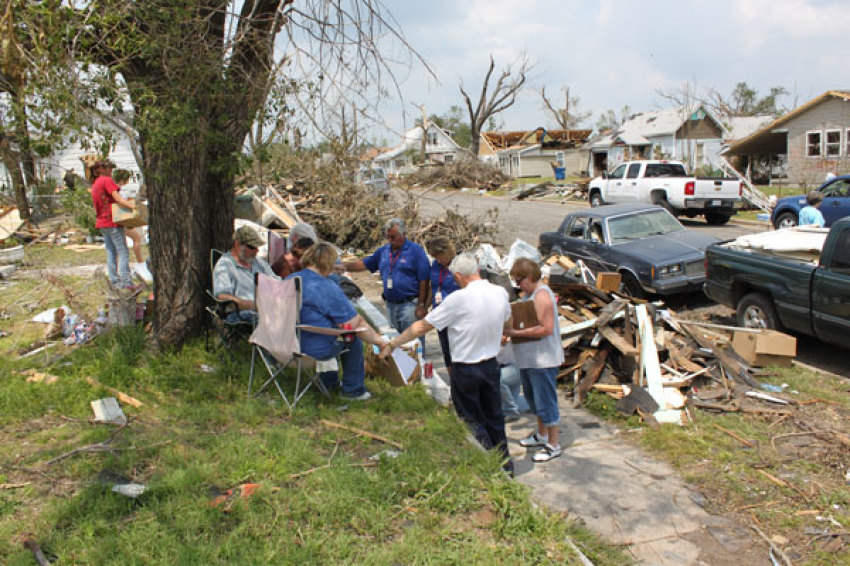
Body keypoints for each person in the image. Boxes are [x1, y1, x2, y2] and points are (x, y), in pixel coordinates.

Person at [380, 252, 514, 474]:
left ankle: (488, 468)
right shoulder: (499, 292)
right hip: (490, 366)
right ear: (478, 270)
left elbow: (422, 326)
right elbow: (508, 318)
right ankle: (505, 465)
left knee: (471, 419)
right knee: (494, 416)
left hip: (466, 368)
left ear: (459, 276)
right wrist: (502, 331)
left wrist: (394, 343)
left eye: (454, 277)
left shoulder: (458, 299)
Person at [290, 242, 389, 401]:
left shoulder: (290, 279)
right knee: (351, 338)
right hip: (309, 348)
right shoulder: (324, 286)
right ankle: (353, 391)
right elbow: (357, 323)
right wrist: (381, 343)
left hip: (282, 345)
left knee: (331, 331)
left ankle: (328, 382)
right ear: (329, 264)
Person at [505, 258, 565, 463]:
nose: (518, 285)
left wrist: (515, 332)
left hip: (543, 361)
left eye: (519, 281)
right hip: (529, 360)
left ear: (530, 277)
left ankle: (553, 444)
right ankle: (542, 434)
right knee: (533, 400)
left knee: (546, 401)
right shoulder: (529, 295)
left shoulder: (542, 296)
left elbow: (546, 328)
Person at [342, 218, 430, 339]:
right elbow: (365, 264)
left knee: (413, 343)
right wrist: (343, 266)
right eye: (387, 237)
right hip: (391, 305)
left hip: (409, 305)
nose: (390, 240)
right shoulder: (384, 251)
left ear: (403, 234)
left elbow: (424, 280)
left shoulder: (415, 251)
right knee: (397, 343)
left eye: (393, 237)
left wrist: (422, 305)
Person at [212, 225, 275, 325]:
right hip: (240, 314)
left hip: (267, 309)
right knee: (270, 321)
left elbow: (277, 282)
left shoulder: (259, 262)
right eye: (252, 247)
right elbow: (223, 296)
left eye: (257, 247)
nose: (256, 251)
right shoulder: (225, 265)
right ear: (237, 245)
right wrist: (254, 305)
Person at [90, 160, 136, 289]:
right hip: (112, 221)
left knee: (111, 252)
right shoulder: (106, 180)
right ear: (99, 170)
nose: (110, 170)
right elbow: (118, 198)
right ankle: (126, 282)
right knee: (123, 253)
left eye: (111, 167)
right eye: (108, 167)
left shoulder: (95, 184)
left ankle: (114, 281)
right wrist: (133, 207)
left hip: (102, 222)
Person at [425, 236, 461, 375]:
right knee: (447, 352)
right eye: (435, 257)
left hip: (456, 317)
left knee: (458, 352)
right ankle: (453, 384)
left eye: (440, 257)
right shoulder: (435, 265)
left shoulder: (459, 265)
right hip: (440, 314)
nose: (438, 260)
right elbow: (431, 287)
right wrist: (425, 305)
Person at [111, 169, 145, 265]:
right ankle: (140, 262)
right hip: (121, 221)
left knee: (119, 244)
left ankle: (116, 265)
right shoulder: (120, 191)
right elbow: (127, 202)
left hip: (115, 221)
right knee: (135, 238)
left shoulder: (114, 189)